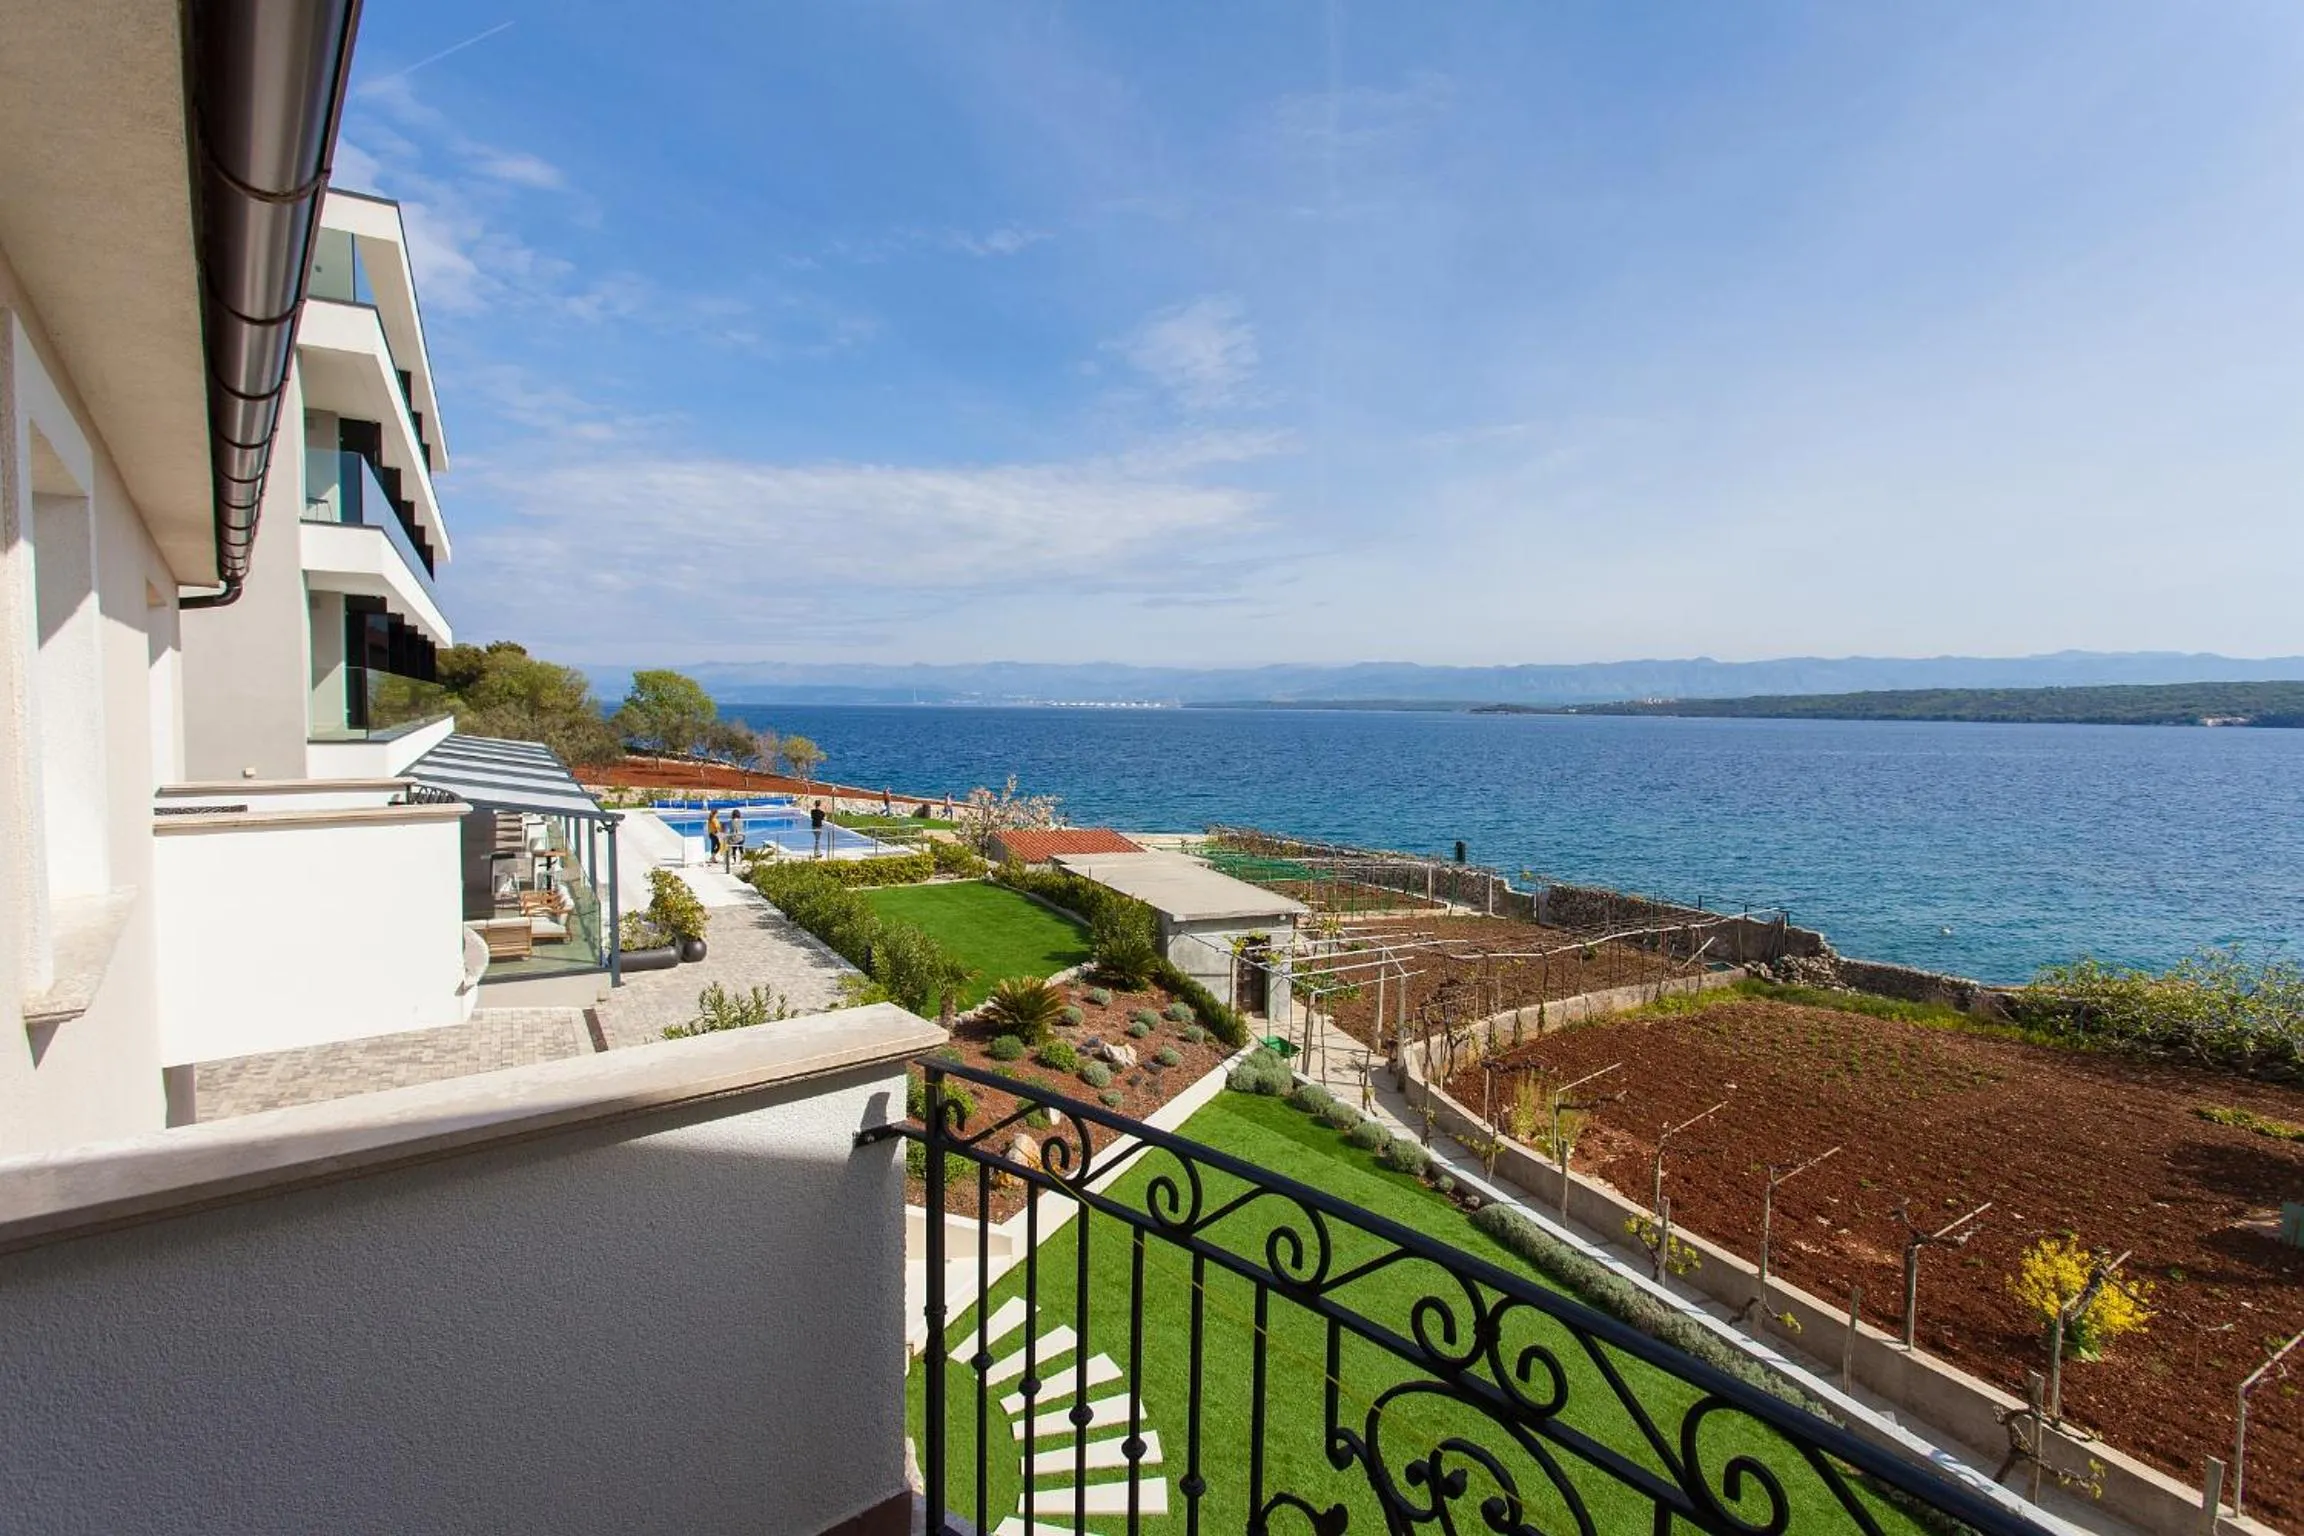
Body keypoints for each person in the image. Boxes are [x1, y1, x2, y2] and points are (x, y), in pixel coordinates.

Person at [725, 807, 746, 872]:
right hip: (741, 837)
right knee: (741, 849)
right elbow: (741, 828)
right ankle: (741, 860)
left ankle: (734, 861)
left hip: (733, 838)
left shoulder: (730, 822)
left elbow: (729, 829)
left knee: (733, 849)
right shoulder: (741, 821)